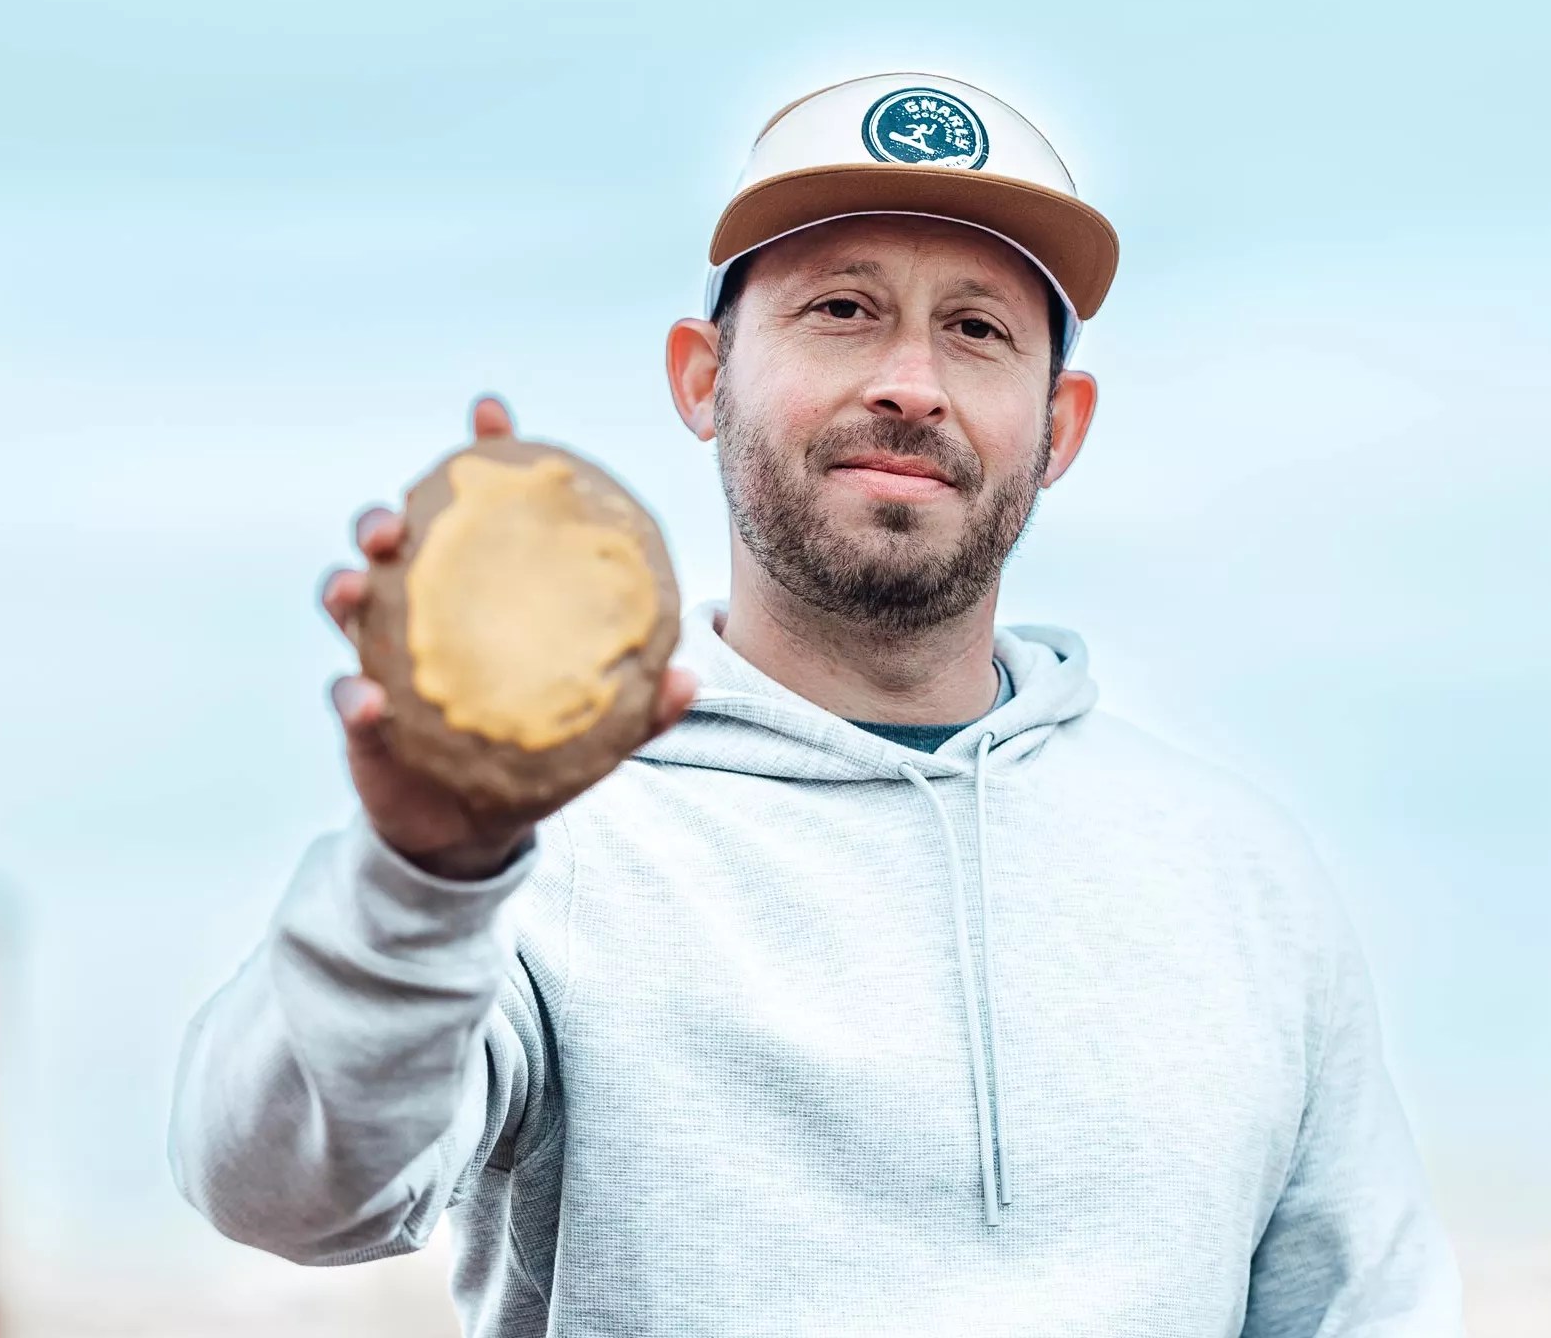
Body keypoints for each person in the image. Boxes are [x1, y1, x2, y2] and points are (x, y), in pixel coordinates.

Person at [168, 71, 1464, 1335]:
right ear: (701, 378)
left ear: (1059, 424)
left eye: (977, 329)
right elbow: (286, 1194)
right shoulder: (554, 843)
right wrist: (424, 873)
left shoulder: (1236, 874)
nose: (912, 381)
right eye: (842, 309)